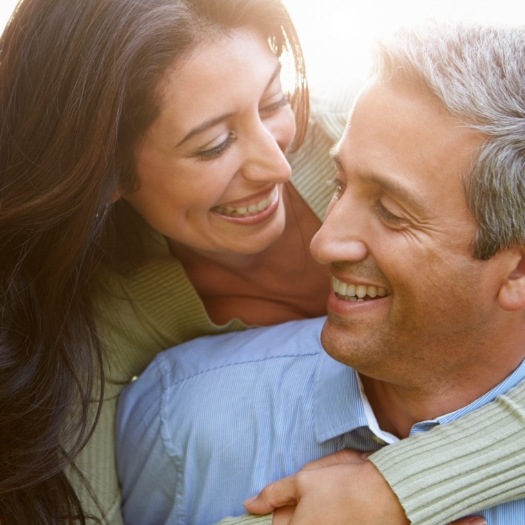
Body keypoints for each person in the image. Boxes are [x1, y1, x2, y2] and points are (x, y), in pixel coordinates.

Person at [0, 0, 523, 521]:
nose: (278, 164)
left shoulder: (389, 134)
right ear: (107, 173)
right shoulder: (102, 322)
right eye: (214, 144)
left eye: (274, 101)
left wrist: (399, 491)